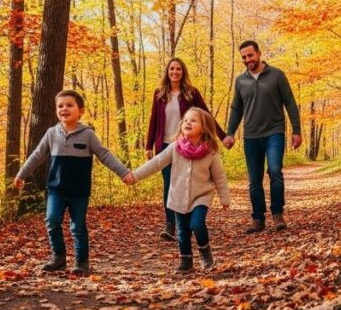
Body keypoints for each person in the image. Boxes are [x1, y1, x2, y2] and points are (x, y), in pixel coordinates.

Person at [13, 90, 130, 274]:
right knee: (52, 220)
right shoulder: (51, 133)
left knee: (77, 226)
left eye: (69, 105)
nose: (64, 109)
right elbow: (37, 155)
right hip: (56, 189)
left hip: (79, 191)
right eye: (60, 106)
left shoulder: (88, 134)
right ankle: (58, 258)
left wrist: (123, 173)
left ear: (80, 111)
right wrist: (22, 174)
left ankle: (81, 262)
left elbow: (104, 155)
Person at [125, 107, 230, 273]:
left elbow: (219, 176)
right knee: (182, 231)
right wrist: (135, 175)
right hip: (178, 196)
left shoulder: (210, 151)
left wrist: (225, 198)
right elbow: (156, 162)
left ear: (203, 128)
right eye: (185, 120)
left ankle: (204, 251)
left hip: (201, 196)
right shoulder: (175, 147)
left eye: (193, 120)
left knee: (197, 224)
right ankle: (186, 261)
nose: (188, 122)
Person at [223, 40, 301, 233]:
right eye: (243, 57)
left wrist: (296, 130)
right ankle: (258, 218)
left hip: (274, 132)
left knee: (274, 170)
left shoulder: (276, 75)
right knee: (254, 180)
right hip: (251, 135)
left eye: (250, 55)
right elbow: (236, 108)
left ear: (258, 53)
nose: (247, 59)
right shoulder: (240, 81)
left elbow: (290, 103)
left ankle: (277, 214)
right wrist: (230, 133)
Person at [146, 58, 225, 242]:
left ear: (183, 72)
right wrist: (149, 145)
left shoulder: (191, 93)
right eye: (172, 69)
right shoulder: (159, 94)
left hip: (187, 145)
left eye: (178, 69)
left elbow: (206, 116)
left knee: (187, 182)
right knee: (170, 184)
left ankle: (189, 219)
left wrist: (222, 136)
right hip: (165, 145)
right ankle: (170, 224)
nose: (175, 72)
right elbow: (153, 120)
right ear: (167, 72)